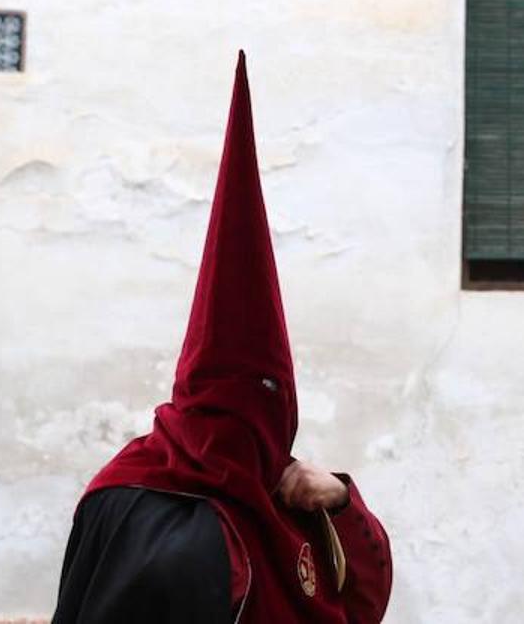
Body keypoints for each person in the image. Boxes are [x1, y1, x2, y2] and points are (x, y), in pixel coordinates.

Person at [51, 53, 392, 623]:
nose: (253, 417)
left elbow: (361, 601)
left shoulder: (291, 501)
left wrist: (340, 498)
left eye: (269, 393)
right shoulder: (132, 497)